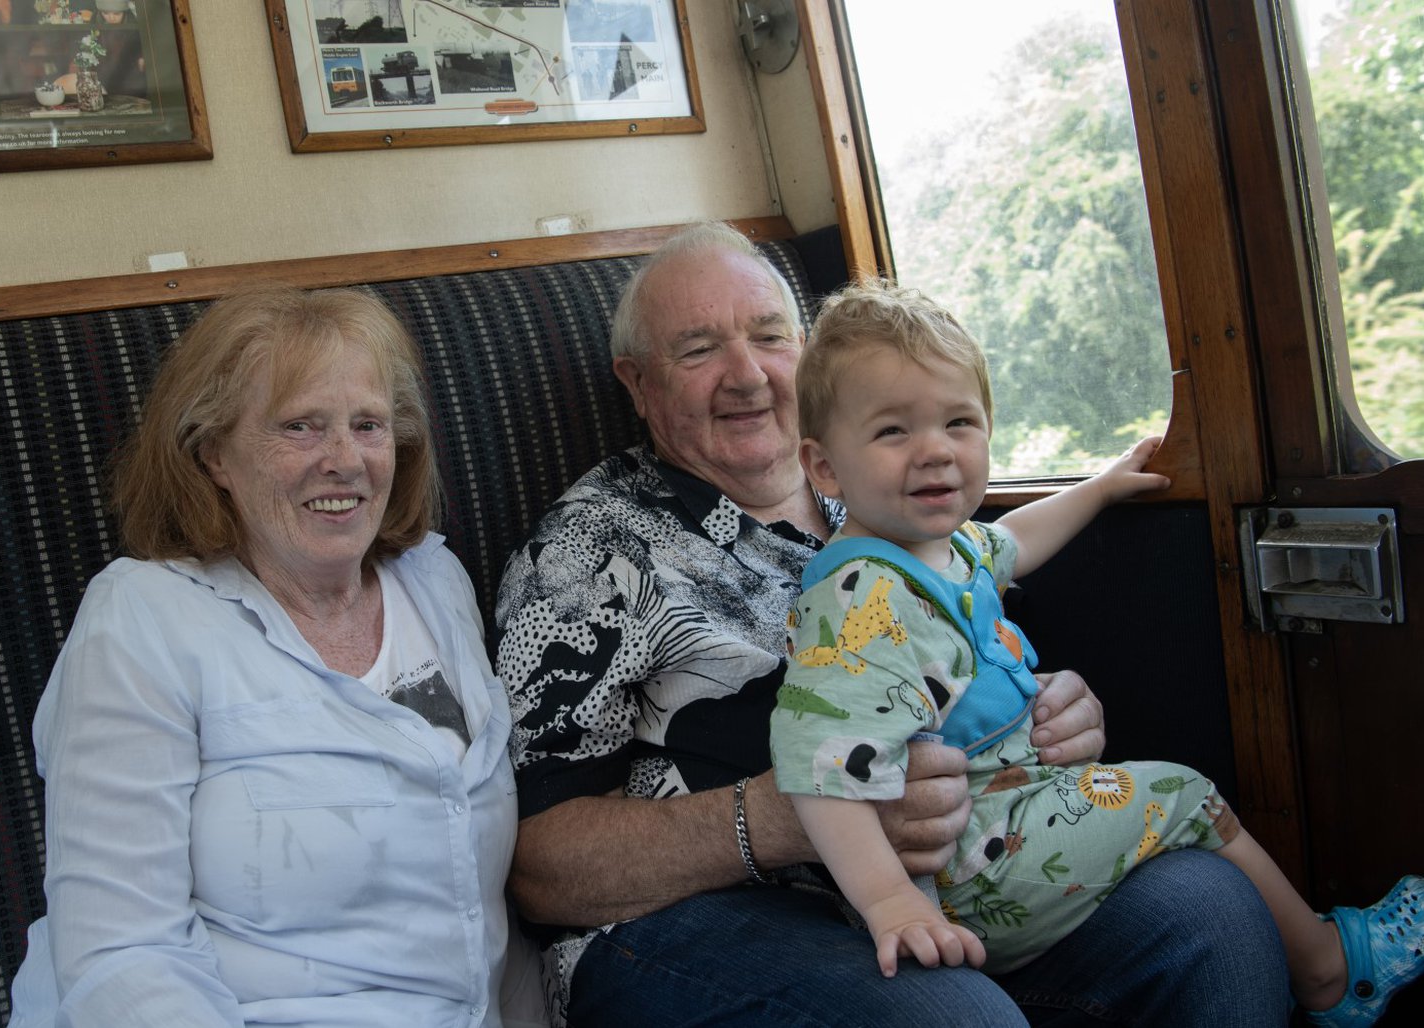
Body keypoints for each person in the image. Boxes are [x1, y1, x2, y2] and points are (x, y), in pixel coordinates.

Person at [493, 220, 1291, 1026]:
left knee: (1208, 907)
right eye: (698, 351)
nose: (747, 375)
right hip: (689, 919)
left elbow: (969, 632)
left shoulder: (882, 483)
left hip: (968, 862)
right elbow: (538, 864)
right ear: (638, 383)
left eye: (769, 336)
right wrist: (777, 818)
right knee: (950, 1018)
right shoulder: (589, 551)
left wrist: (1037, 711)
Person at [771, 278, 1424, 1025]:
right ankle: (1330, 971)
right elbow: (821, 763)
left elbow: (1017, 540)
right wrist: (890, 902)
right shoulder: (861, 596)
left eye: (959, 421)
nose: (935, 452)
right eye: (893, 432)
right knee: (1184, 794)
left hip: (1010, 823)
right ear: (824, 468)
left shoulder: (943, 548)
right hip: (970, 870)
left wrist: (1102, 486)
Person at [8, 285, 542, 1026]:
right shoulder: (142, 620)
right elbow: (121, 956)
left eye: (369, 425)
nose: (345, 460)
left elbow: (481, 914)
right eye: (300, 426)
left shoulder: (434, 581)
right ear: (214, 452)